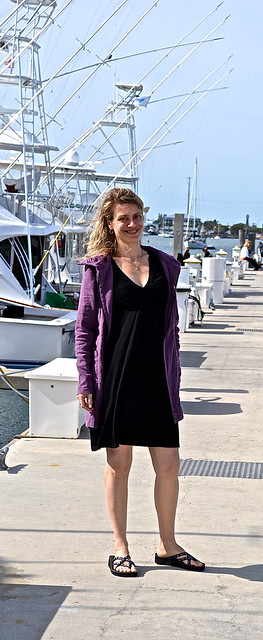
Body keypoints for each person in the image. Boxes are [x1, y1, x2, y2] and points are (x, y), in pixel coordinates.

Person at [75, 187, 205, 577]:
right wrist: (86, 380)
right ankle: (120, 547)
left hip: (157, 379)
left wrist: (175, 375)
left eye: (136, 217)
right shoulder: (98, 268)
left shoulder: (166, 264)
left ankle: (167, 545)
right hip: (115, 377)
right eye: (123, 218)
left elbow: (172, 329)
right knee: (120, 463)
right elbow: (84, 330)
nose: (131, 225)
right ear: (110, 224)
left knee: (169, 463)